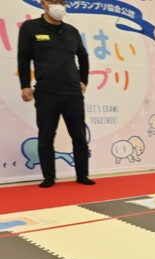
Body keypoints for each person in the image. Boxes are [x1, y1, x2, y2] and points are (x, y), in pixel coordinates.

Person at [17, 0, 94, 188]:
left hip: (72, 93)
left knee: (79, 137)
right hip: (46, 93)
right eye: (53, 1)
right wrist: (25, 85)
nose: (58, 5)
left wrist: (83, 80)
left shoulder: (71, 31)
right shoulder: (30, 28)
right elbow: (24, 57)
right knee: (46, 137)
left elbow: (83, 57)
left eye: (61, 2)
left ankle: (82, 175)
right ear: (43, 3)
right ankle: (49, 178)